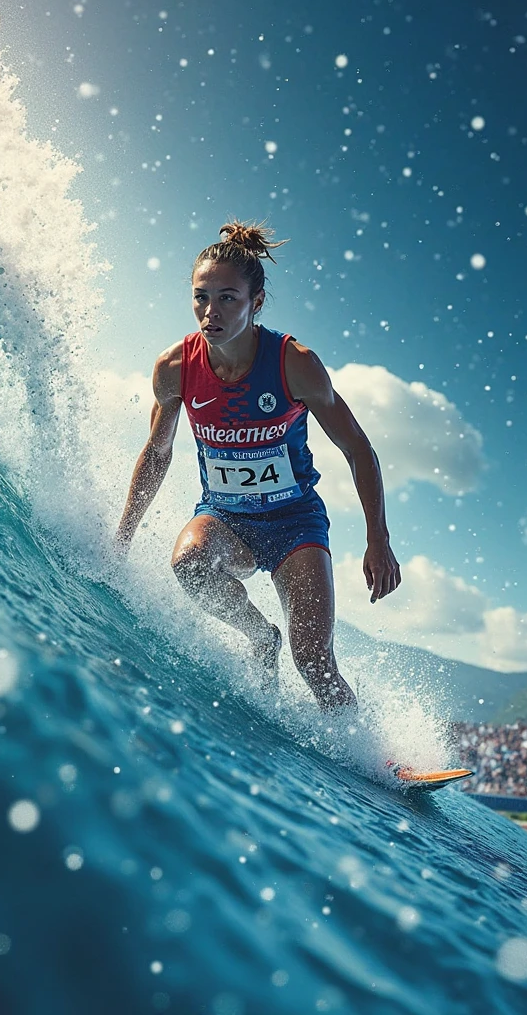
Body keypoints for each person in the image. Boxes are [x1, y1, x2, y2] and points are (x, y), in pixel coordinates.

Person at [115, 220, 400, 711]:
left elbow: (359, 449)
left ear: (257, 302)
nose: (211, 310)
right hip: (225, 518)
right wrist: (123, 534)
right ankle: (258, 635)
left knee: (312, 659)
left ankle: (378, 760)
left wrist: (379, 538)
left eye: (228, 297)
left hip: (294, 523)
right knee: (190, 564)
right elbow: (158, 452)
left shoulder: (295, 363)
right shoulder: (176, 368)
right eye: (201, 296)